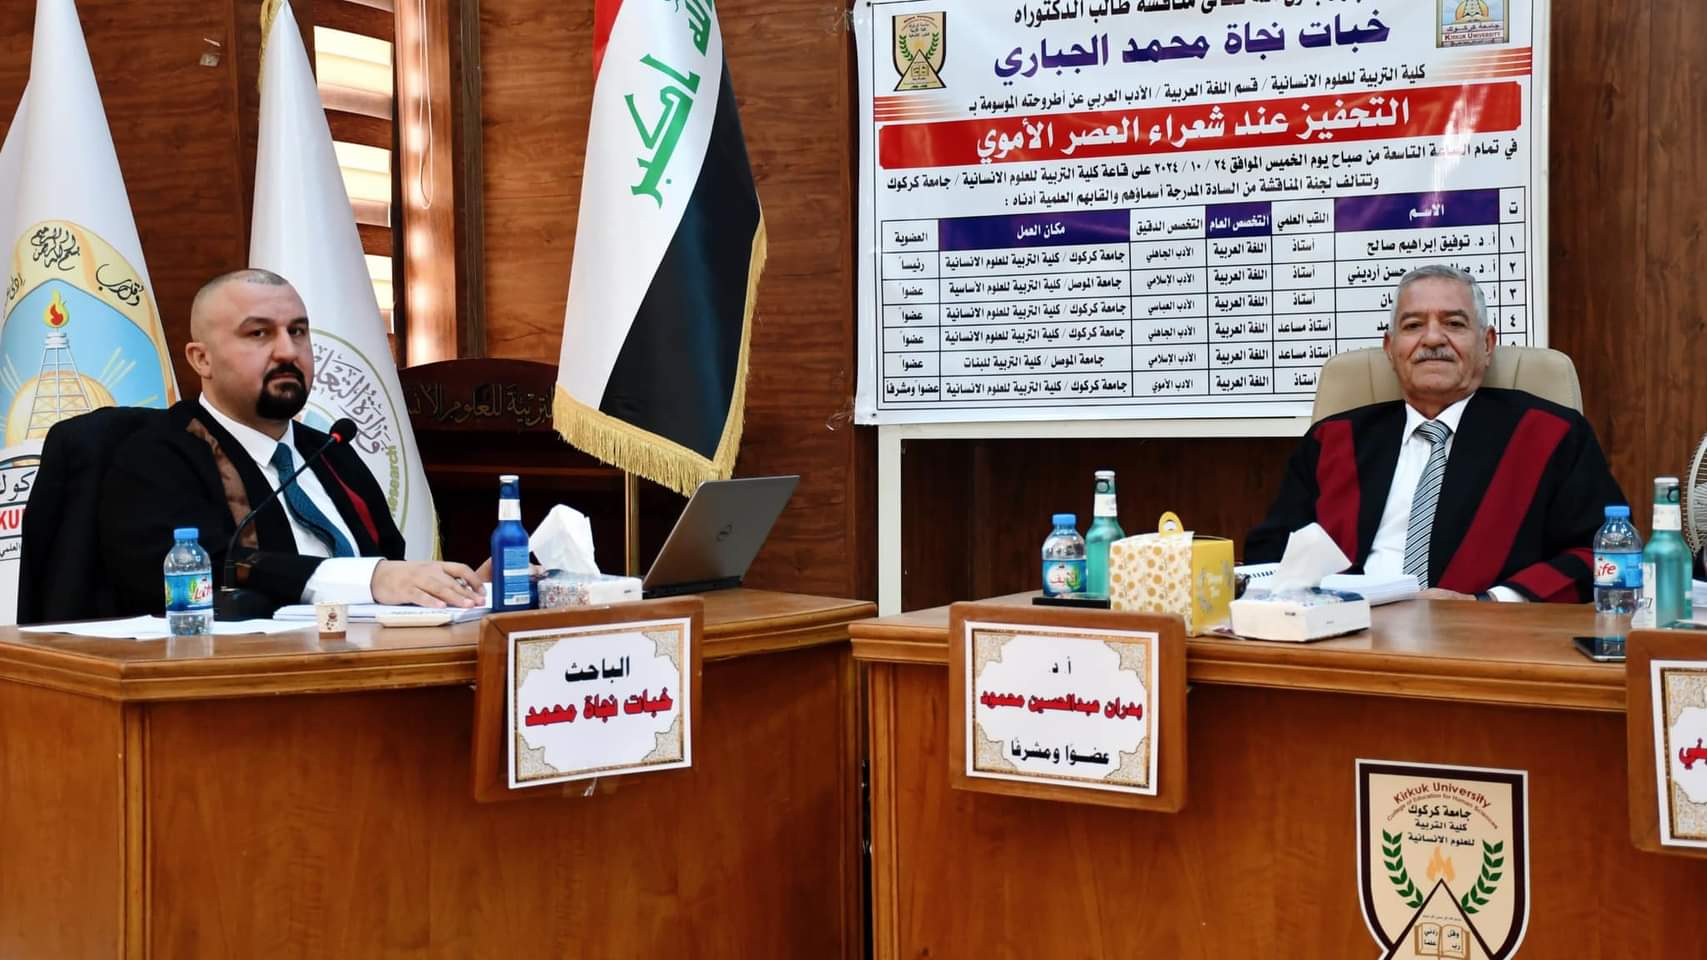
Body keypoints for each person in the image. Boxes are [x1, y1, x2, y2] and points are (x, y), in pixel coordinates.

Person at [97, 269, 484, 615]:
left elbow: (390, 567)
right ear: (202, 359)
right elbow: (199, 570)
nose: (287, 352)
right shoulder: (156, 456)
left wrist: (462, 592)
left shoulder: (331, 451)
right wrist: (367, 579)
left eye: (297, 331)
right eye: (259, 333)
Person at [1246, 264, 1624, 602]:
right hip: (1343, 632)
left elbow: (1604, 555)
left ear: (1487, 344)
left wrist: (1488, 604)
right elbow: (1270, 553)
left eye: (1454, 324)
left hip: (1487, 640)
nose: (1432, 339)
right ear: (1390, 348)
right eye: (1413, 325)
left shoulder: (1551, 435)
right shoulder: (1333, 439)